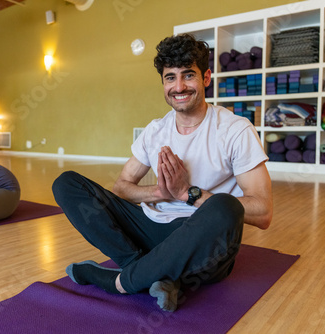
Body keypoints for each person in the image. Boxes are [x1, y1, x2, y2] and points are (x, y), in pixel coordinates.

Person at [52, 33, 272, 312]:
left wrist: (187, 194)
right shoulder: (155, 130)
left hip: (202, 243)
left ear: (206, 78)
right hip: (151, 229)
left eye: (188, 75)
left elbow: (263, 212)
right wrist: (158, 192)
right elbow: (122, 187)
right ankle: (152, 272)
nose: (179, 86)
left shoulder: (236, 129)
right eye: (170, 77)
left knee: (225, 207)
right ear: (163, 83)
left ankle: (118, 281)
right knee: (66, 184)